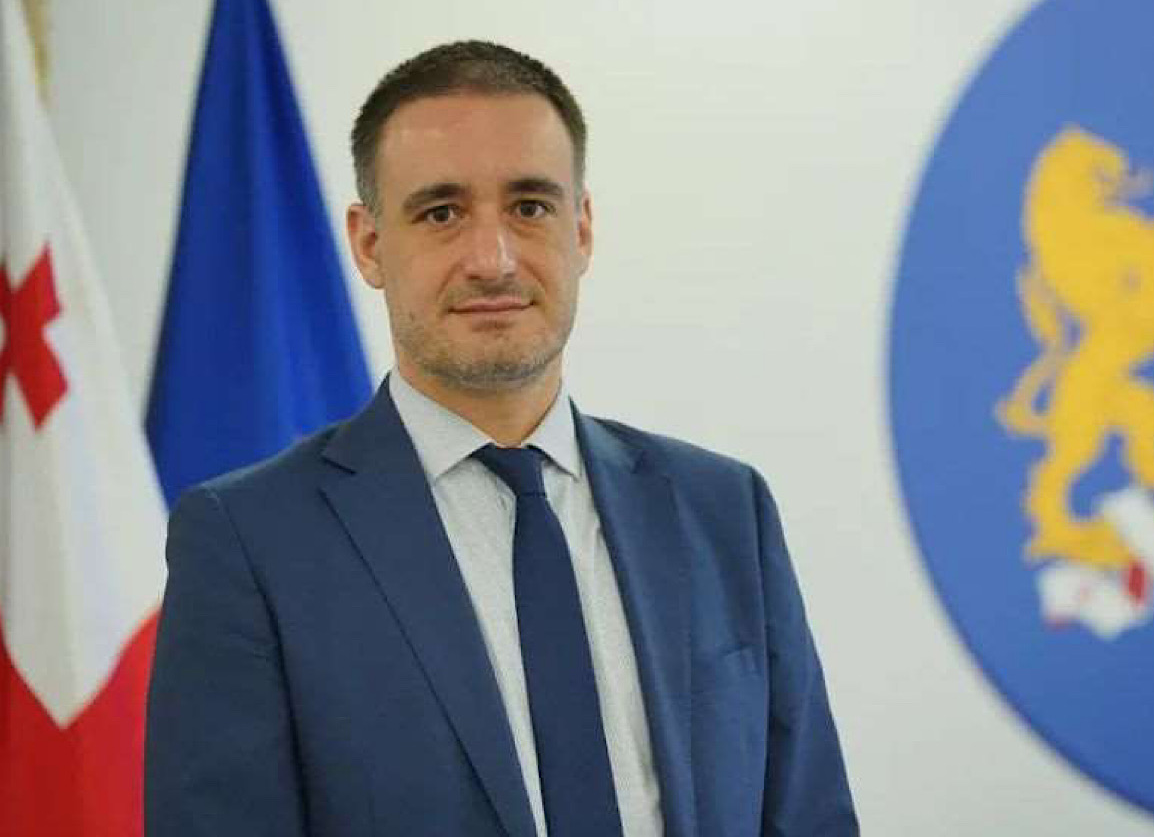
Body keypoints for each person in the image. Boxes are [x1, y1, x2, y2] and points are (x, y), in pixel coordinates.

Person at [145, 40, 857, 837]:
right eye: (441, 213)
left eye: (530, 207)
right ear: (369, 244)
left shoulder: (725, 511)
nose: (492, 260)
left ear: (582, 229)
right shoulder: (250, 542)